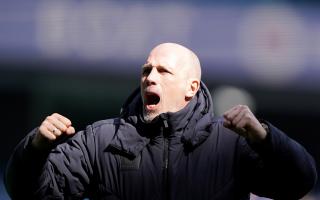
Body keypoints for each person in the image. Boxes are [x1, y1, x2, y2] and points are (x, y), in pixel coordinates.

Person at [5, 43, 317, 200]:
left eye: (163, 71)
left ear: (191, 88)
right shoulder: (100, 140)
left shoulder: (231, 144)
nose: (150, 77)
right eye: (146, 70)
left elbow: (298, 181)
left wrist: (264, 137)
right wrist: (36, 146)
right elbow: (29, 192)